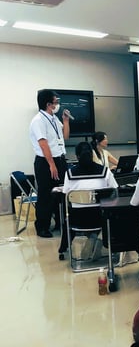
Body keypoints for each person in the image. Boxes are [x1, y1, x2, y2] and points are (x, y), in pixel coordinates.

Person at [59, 142, 118, 259]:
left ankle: (64, 247)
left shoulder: (70, 174)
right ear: (92, 155)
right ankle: (101, 240)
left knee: (68, 214)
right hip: (101, 218)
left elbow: (66, 195)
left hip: (77, 219)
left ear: (77, 156)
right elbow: (115, 191)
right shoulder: (105, 171)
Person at [30, 89, 71, 238]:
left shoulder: (54, 118)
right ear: (48, 104)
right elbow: (43, 144)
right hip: (45, 162)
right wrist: (51, 164)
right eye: (56, 102)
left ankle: (60, 222)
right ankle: (42, 227)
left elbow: (65, 136)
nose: (58, 104)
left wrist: (65, 121)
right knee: (45, 195)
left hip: (59, 159)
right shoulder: (38, 120)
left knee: (61, 192)